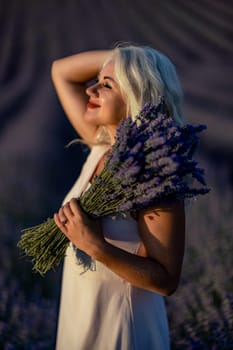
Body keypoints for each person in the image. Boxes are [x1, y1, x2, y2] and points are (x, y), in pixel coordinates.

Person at [51, 44, 185, 350]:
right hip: (81, 318)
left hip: (122, 329)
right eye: (96, 80)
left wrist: (95, 246)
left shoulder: (154, 174)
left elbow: (166, 280)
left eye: (106, 85)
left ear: (137, 95)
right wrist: (125, 61)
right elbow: (61, 71)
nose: (90, 90)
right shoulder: (101, 146)